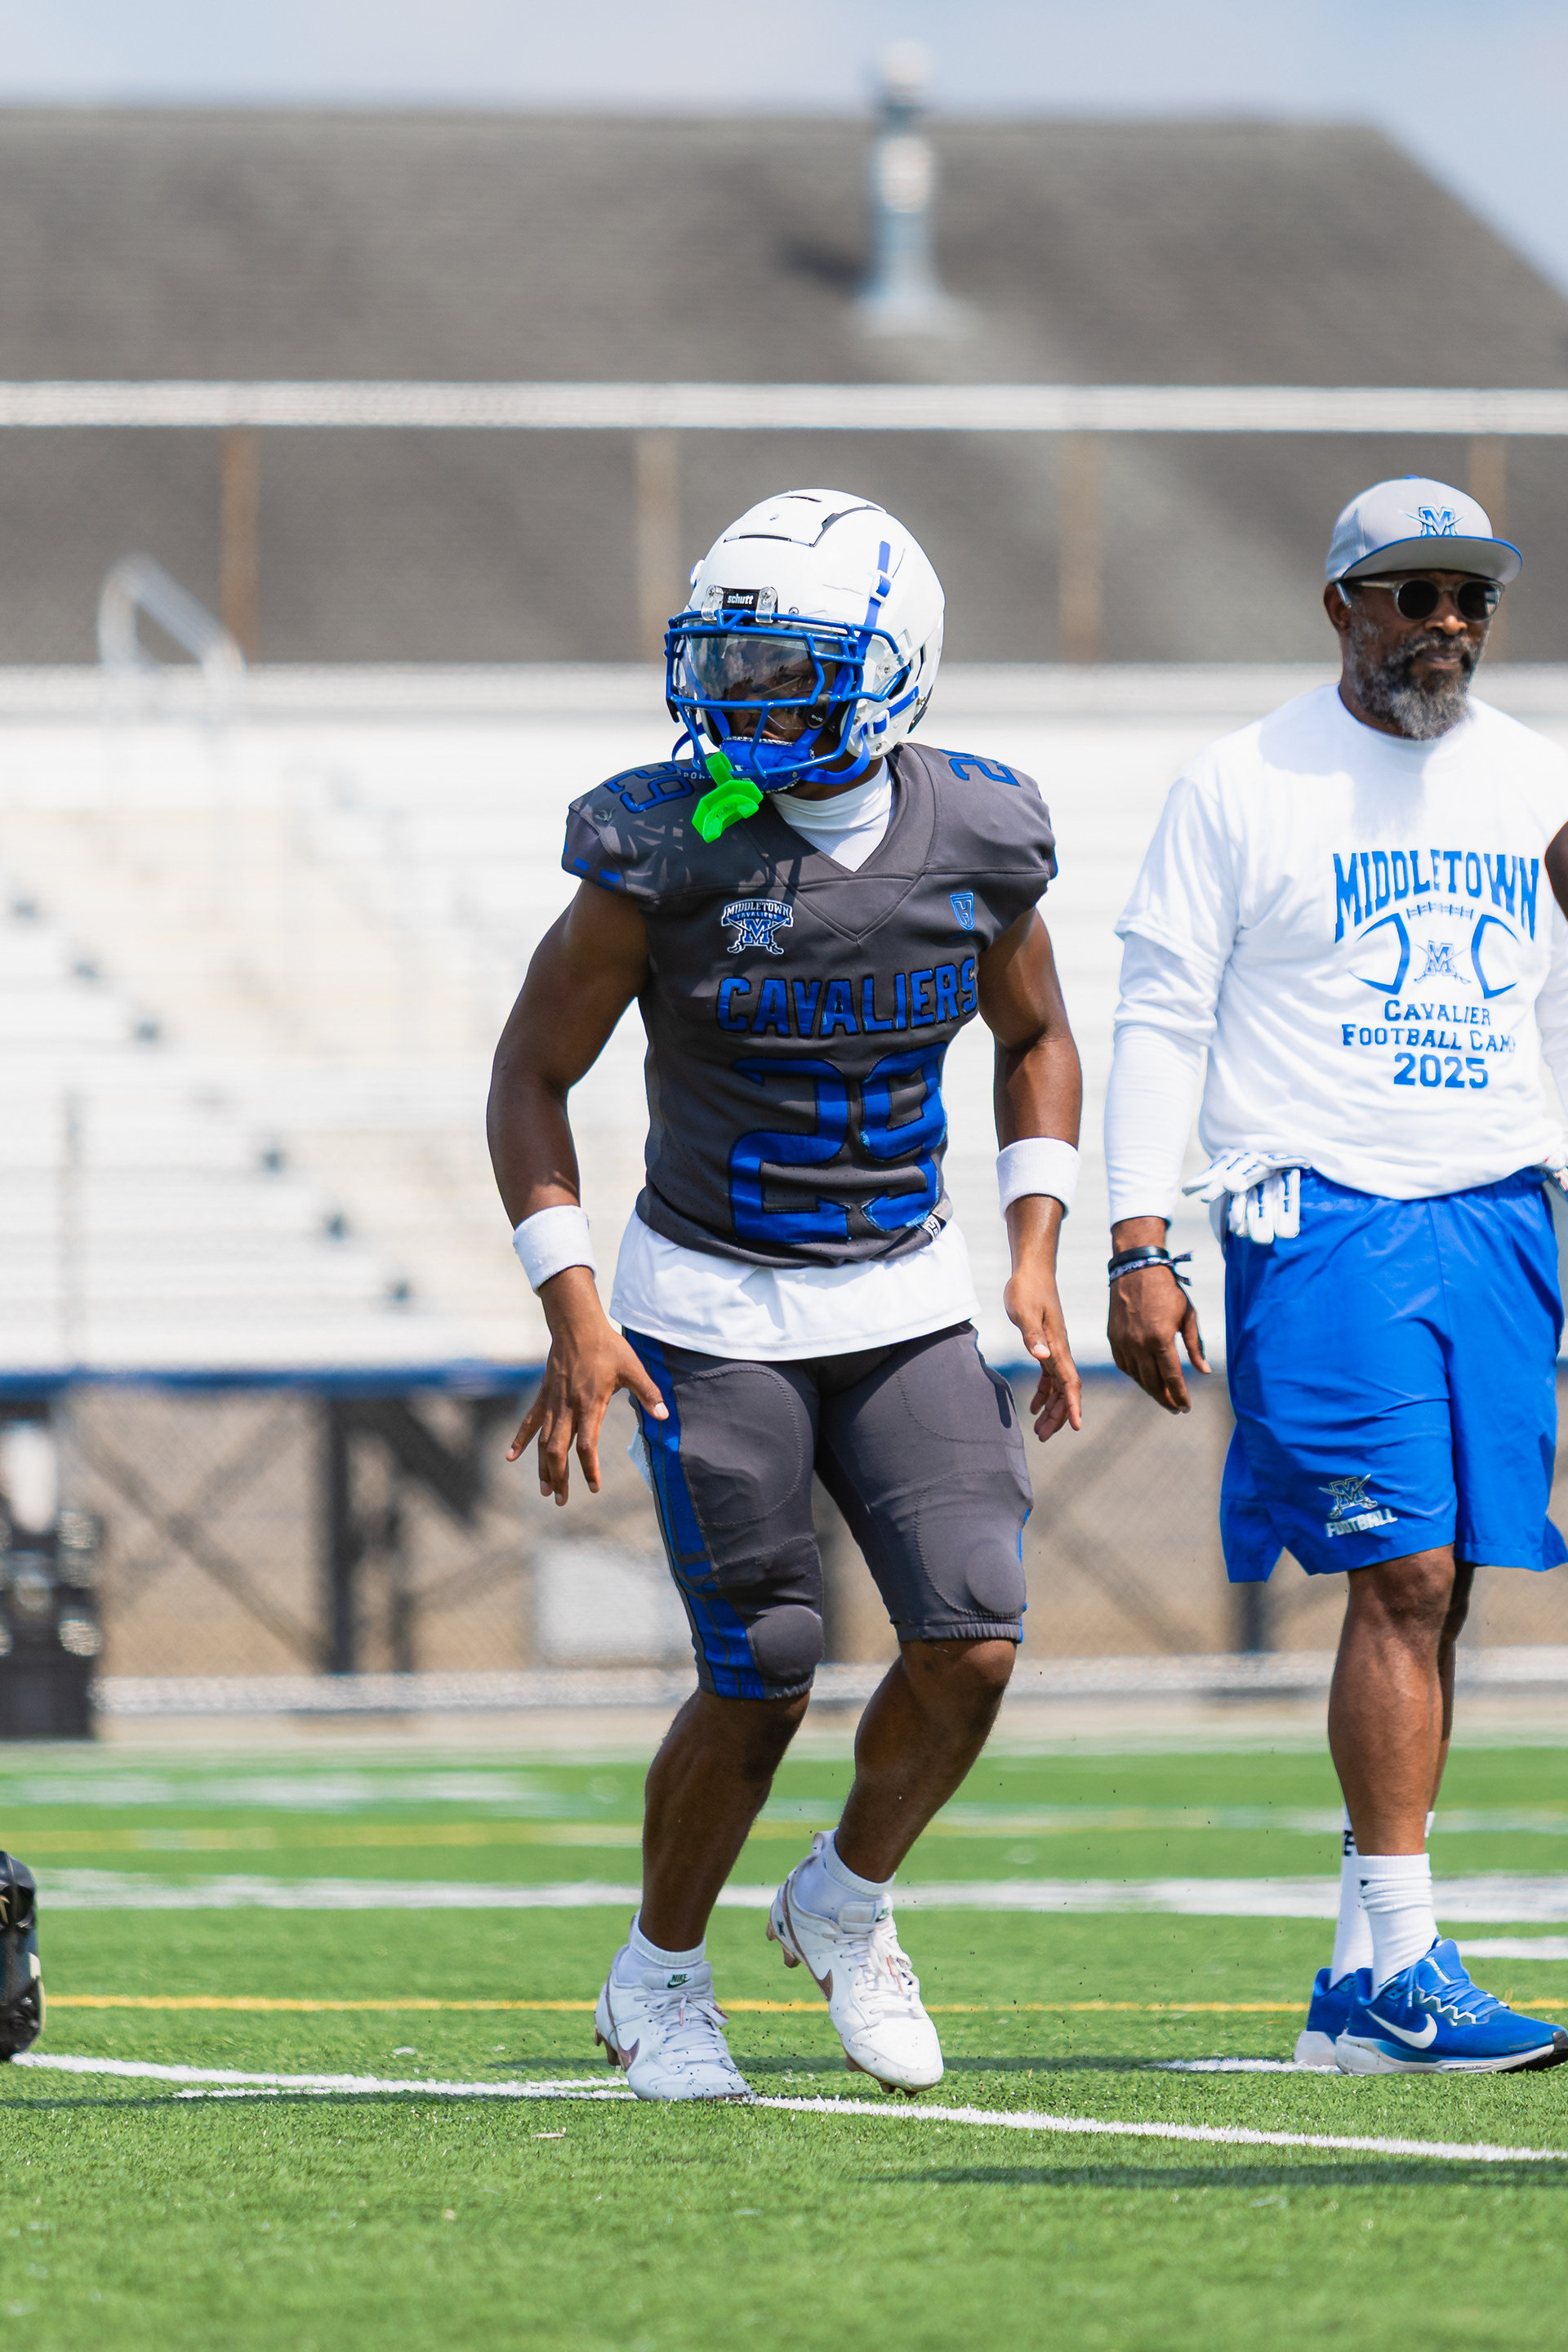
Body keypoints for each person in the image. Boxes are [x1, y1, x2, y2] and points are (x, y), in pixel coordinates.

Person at [488, 488, 1082, 2101]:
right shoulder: (661, 843)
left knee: (974, 1638)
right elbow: (531, 1072)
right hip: (711, 1303)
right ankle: (657, 1975)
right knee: (765, 1667)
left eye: (785, 665)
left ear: (897, 671)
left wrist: (1035, 1244)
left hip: (901, 1291)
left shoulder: (982, 831)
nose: (744, 696)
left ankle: (844, 1902)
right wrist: (574, 1305)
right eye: (727, 660)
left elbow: (1036, 1035)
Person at [1103, 475, 1568, 2075]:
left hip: (1500, 1209)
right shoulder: (1244, 782)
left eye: (1470, 598)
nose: (1447, 625)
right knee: (1406, 1575)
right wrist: (1139, 1236)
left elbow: (1556, 1014)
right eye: (1413, 595)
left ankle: (1360, 1977)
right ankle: (1403, 1968)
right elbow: (1161, 1014)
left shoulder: (1538, 781)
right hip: (1325, 1211)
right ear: (1340, 608)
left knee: (1453, 1584)